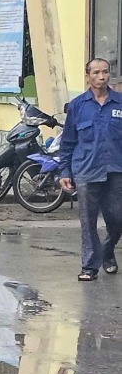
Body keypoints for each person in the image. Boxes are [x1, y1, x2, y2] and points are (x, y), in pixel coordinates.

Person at [58, 57, 122, 280]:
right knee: (88, 220)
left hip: (116, 170)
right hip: (86, 169)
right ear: (88, 76)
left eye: (105, 72)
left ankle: (108, 249)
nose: (101, 77)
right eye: (96, 72)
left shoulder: (120, 103)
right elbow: (67, 143)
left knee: (117, 217)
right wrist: (64, 172)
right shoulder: (77, 106)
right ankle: (89, 266)